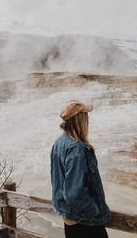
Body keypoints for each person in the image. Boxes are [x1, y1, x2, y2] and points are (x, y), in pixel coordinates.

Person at [50, 100, 110, 238]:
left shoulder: (59, 143)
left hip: (70, 222)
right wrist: (95, 212)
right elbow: (74, 194)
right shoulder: (77, 148)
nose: (88, 118)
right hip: (85, 223)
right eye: (86, 115)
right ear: (80, 119)